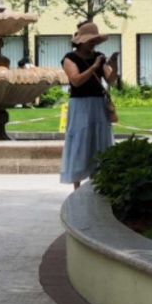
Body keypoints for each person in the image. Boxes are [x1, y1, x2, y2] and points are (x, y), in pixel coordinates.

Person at [61, 21, 116, 190]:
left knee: (98, 140)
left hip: (98, 103)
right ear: (81, 41)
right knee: (79, 140)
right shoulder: (70, 58)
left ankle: (97, 182)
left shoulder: (99, 56)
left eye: (95, 40)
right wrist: (94, 67)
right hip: (80, 104)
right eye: (90, 40)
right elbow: (76, 81)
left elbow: (110, 80)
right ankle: (76, 186)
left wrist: (113, 64)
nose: (93, 43)